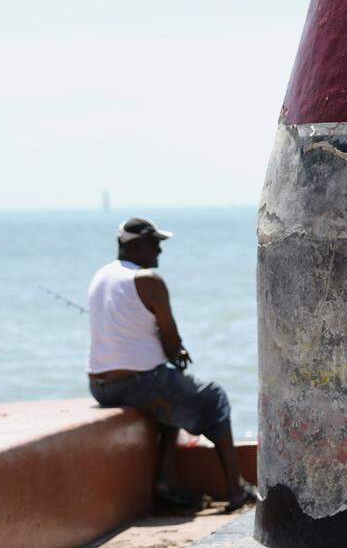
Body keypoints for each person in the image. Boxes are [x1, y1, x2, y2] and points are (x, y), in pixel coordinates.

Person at [87, 217, 257, 512]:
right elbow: (170, 344)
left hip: (100, 386)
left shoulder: (101, 275)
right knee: (213, 397)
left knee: (168, 402)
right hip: (138, 384)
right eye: (155, 244)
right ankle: (236, 489)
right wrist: (179, 351)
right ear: (136, 245)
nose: (159, 252)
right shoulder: (148, 280)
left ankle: (166, 481)